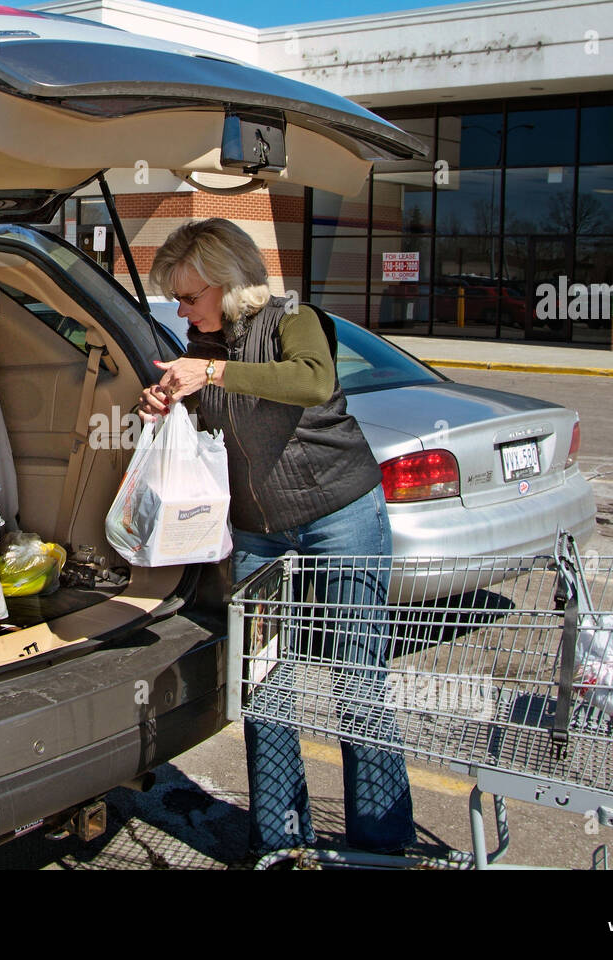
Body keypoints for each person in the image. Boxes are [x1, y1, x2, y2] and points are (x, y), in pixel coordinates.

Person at [138, 217, 416, 856]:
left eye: (189, 296)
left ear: (230, 283)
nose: (181, 309)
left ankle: (380, 849)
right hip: (259, 535)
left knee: (357, 682)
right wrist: (165, 401)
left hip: (340, 516)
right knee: (267, 685)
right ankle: (282, 839)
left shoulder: (296, 320)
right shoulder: (199, 345)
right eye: (178, 299)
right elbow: (211, 423)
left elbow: (311, 380)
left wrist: (210, 376)